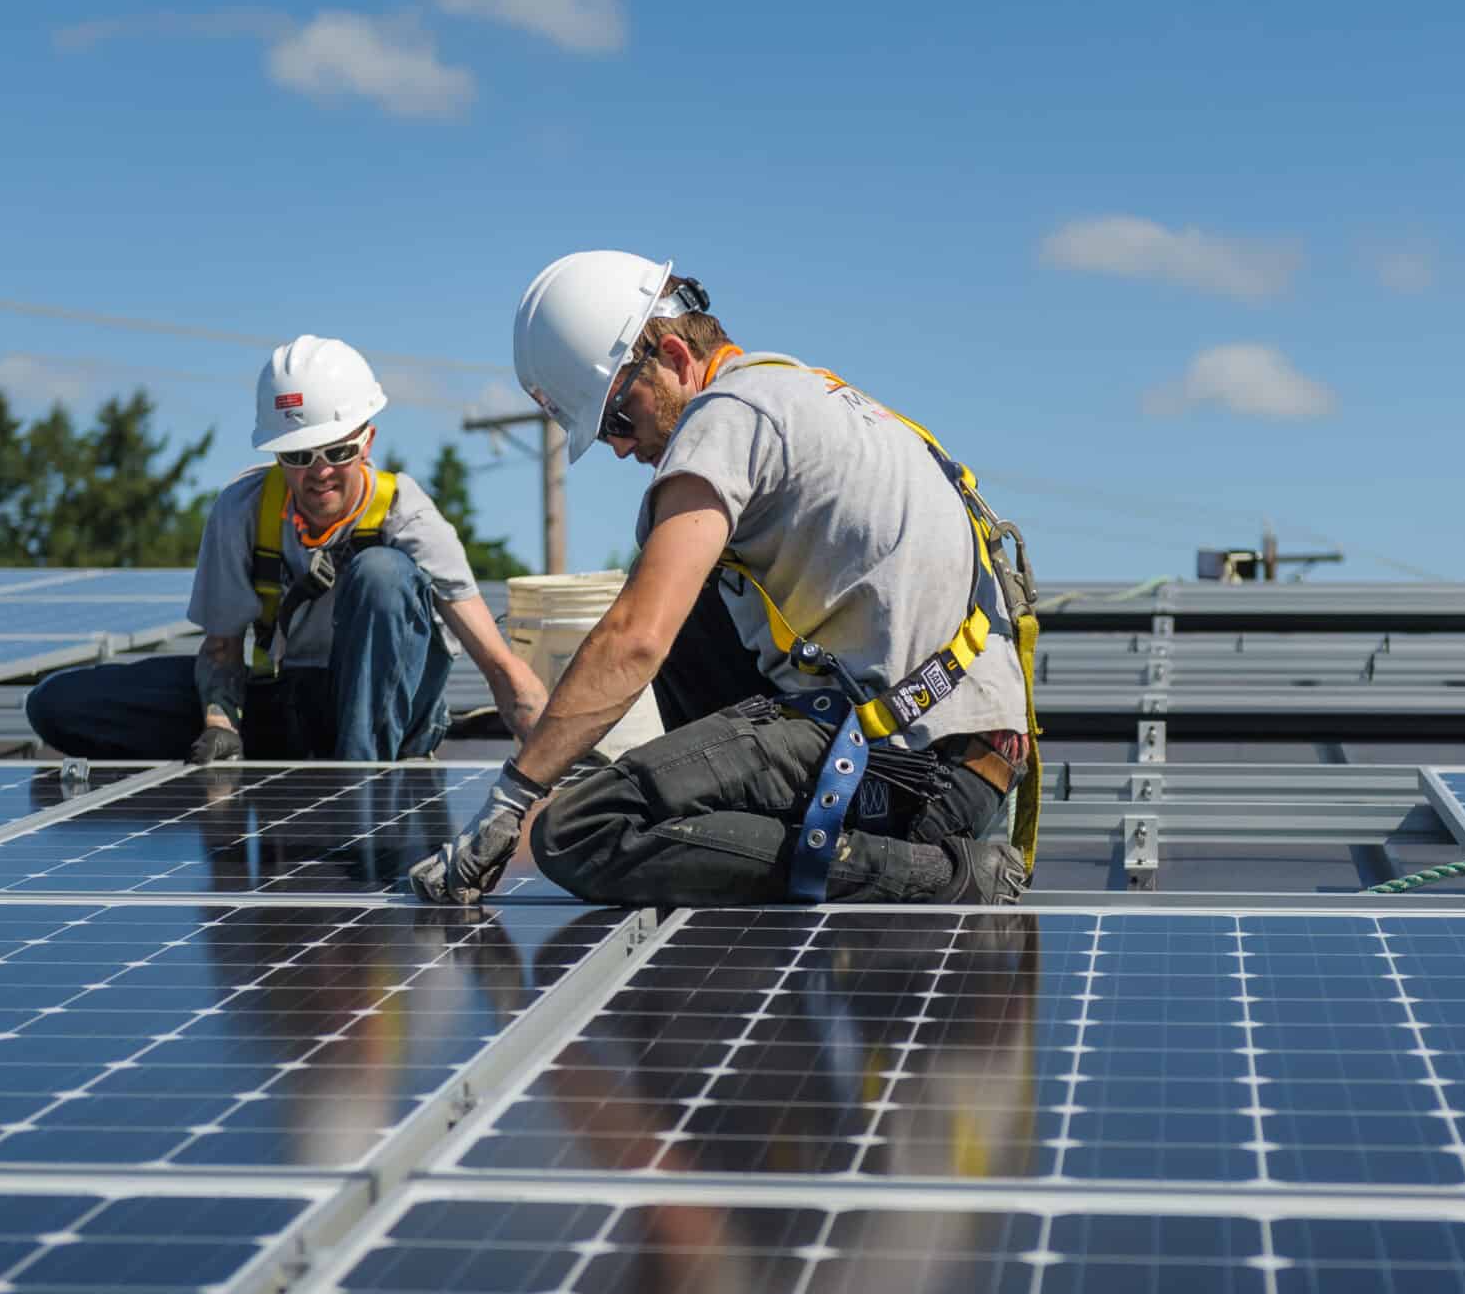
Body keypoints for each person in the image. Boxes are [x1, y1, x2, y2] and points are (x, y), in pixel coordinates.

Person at [411, 252, 1034, 908]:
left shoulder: (726, 416)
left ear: (675, 356)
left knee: (578, 830)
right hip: (965, 752)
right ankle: (776, 839)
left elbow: (635, 639)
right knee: (691, 593)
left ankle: (939, 876)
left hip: (912, 771)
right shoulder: (789, 387)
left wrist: (513, 796)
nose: (622, 446)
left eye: (618, 417)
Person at [24, 335, 547, 764]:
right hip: (287, 697)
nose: (320, 471)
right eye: (299, 455)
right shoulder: (242, 511)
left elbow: (498, 663)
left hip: (387, 711)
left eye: (338, 451)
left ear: (367, 442)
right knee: (61, 704)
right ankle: (293, 754)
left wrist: (550, 755)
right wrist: (219, 722)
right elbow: (222, 648)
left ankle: (360, 781)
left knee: (383, 574)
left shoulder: (405, 512)